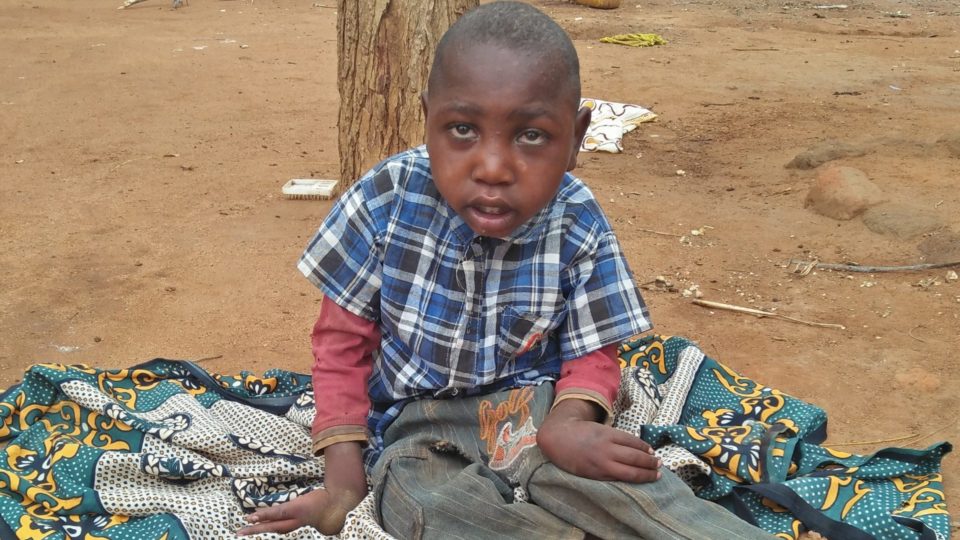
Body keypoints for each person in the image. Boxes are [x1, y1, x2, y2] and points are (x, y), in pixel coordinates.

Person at [239, 2, 771, 538]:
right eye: (463, 129)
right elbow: (340, 347)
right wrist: (342, 485)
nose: (493, 167)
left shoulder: (575, 218)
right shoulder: (384, 200)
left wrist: (569, 424)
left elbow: (593, 348)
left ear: (577, 138)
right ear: (428, 120)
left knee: (618, 485)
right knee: (417, 503)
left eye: (531, 136)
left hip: (532, 409)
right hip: (413, 421)